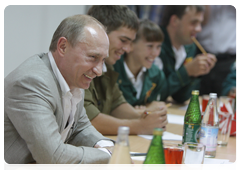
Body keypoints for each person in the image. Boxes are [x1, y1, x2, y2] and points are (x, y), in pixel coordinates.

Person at [4, 14, 115, 170]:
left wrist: (107, 145)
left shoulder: (73, 77)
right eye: (93, 57)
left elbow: (79, 128)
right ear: (63, 47)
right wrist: (107, 156)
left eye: (103, 60)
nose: (98, 71)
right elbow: (53, 158)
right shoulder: (31, 83)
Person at [85, 5, 168, 135]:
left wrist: (146, 118)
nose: (128, 49)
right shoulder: (80, 65)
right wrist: (139, 126)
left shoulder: (108, 65)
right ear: (100, 32)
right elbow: (88, 121)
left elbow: (117, 104)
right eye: (123, 40)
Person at [154, 5, 217, 103]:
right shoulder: (154, 45)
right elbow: (155, 94)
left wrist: (195, 73)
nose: (199, 29)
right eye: (193, 23)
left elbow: (180, 97)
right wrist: (187, 71)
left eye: (200, 23)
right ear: (174, 21)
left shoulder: (189, 47)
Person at [114, 19, 168, 109]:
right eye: (150, 46)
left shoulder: (157, 75)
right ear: (130, 45)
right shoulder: (113, 69)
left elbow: (153, 105)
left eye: (158, 47)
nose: (155, 53)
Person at [196, 5, 238, 96]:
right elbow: (204, 20)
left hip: (229, 59)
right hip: (202, 52)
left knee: (225, 98)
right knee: (199, 96)